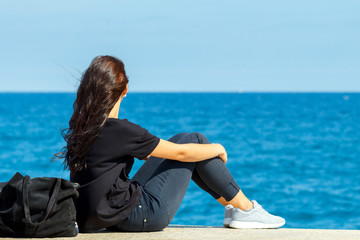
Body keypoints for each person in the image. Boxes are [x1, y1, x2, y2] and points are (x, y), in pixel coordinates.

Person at [55, 55, 285, 233]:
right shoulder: (120, 130)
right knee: (193, 141)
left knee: (186, 142)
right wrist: (218, 148)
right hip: (139, 216)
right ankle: (245, 209)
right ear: (124, 90)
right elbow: (181, 153)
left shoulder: (82, 128)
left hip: (96, 215)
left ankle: (236, 210)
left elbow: (153, 155)